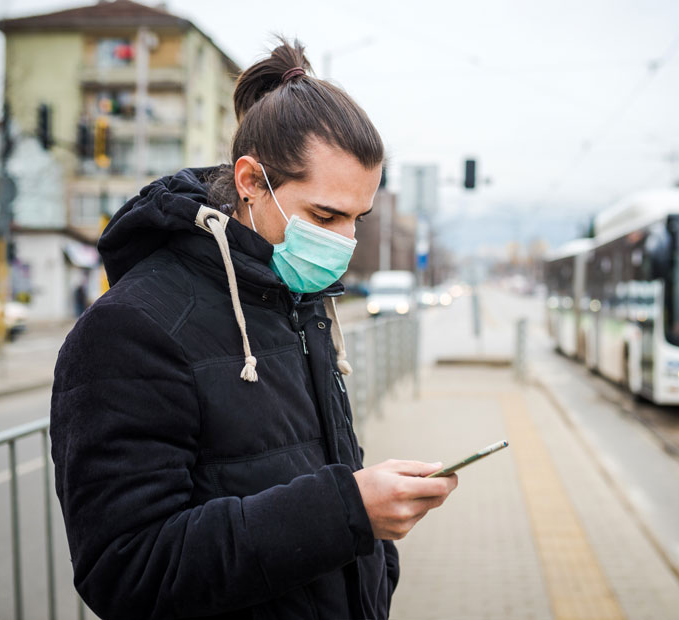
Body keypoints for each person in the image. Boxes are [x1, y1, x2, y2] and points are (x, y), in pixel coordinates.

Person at [50, 39, 457, 620]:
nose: (344, 241)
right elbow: (127, 567)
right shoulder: (130, 329)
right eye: (324, 215)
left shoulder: (295, 300)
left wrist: (373, 566)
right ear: (249, 180)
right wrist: (350, 511)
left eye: (356, 219)